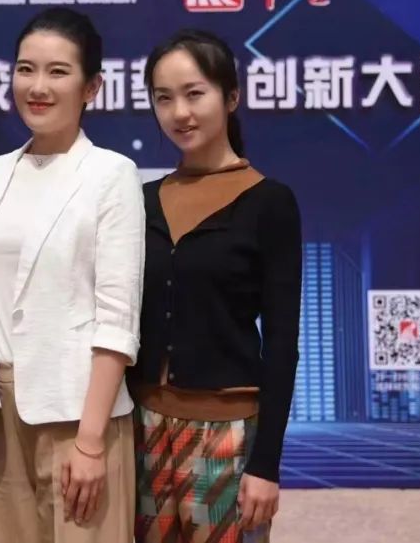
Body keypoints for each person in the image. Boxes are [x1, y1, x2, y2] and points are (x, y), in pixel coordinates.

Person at [0, 7, 144, 543]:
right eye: (26, 69)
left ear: (92, 88)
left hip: (81, 413)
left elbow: (117, 317)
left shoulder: (111, 174)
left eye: (58, 72)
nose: (37, 87)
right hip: (3, 411)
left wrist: (90, 441)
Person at [129, 29, 301, 543]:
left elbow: (283, 343)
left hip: (229, 436)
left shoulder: (269, 202)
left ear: (231, 97)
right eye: (164, 98)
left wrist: (265, 464)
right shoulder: (141, 200)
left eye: (194, 94)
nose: (179, 112)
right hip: (140, 430)